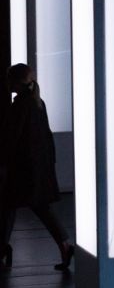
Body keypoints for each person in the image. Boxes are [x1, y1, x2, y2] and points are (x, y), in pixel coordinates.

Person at [1, 63, 71, 271]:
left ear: (14, 82)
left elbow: (11, 138)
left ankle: (4, 248)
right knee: (35, 207)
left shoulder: (21, 105)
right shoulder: (37, 102)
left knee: (9, 206)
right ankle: (65, 245)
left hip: (23, 169)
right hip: (36, 166)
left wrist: (3, 164)